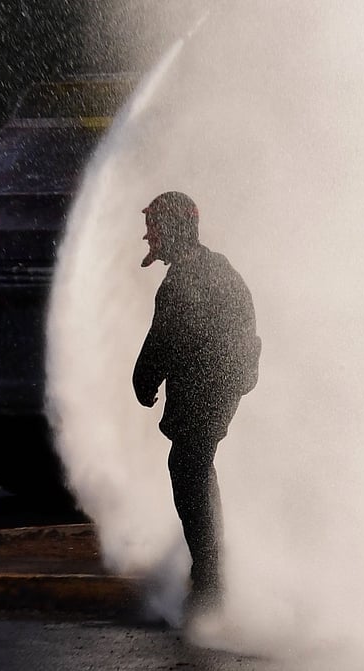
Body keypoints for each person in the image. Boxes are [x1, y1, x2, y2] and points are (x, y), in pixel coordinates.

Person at [132, 191, 261, 619]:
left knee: (188, 467)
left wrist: (144, 379)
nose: (148, 236)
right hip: (221, 389)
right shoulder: (221, 269)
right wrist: (241, 378)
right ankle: (211, 571)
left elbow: (163, 338)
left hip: (205, 390)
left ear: (171, 229)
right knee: (195, 465)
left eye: (154, 227)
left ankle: (210, 581)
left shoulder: (183, 278)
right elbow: (247, 328)